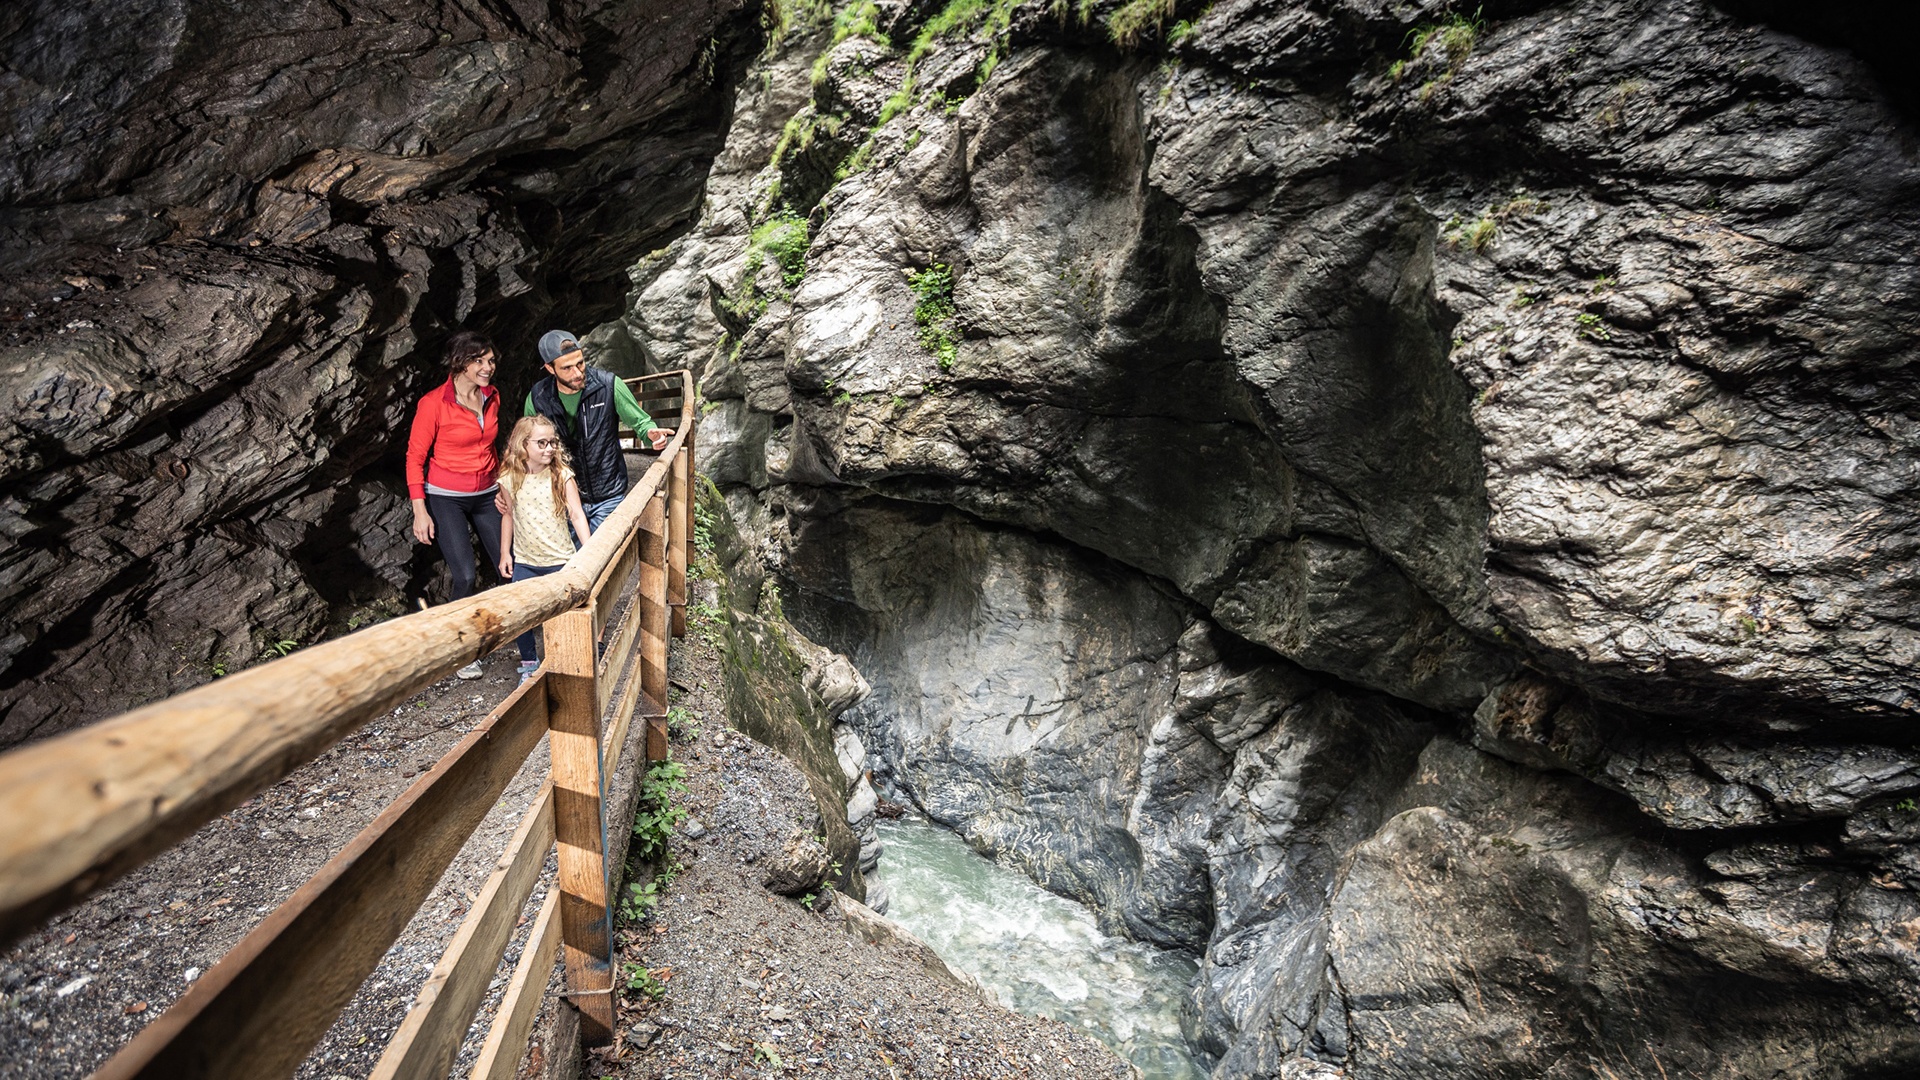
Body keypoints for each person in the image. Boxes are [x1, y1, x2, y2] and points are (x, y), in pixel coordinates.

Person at [406, 330, 504, 680]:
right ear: (460, 363)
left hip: (487, 494)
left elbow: (492, 447)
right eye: (480, 360)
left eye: (490, 360)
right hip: (446, 497)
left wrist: (502, 485)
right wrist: (420, 510)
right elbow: (415, 458)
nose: (488, 367)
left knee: (508, 568)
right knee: (464, 574)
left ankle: (512, 633)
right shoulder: (434, 403)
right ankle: (460, 649)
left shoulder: (492, 396)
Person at [522, 329, 674, 532]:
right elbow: (527, 449)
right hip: (564, 497)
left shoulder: (608, 385)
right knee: (575, 560)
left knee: (607, 556)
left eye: (580, 363)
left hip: (608, 493)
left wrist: (650, 434)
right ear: (550, 369)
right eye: (567, 368)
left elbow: (641, 422)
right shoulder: (537, 397)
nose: (577, 373)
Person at [496, 415, 592, 683]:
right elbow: (508, 516)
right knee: (519, 613)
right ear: (523, 444)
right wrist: (506, 553)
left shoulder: (562, 475)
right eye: (542, 443)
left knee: (566, 614)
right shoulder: (509, 478)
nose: (549, 448)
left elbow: (576, 514)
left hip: (560, 560)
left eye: (552, 442)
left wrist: (589, 551)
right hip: (526, 561)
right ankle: (529, 662)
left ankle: (568, 662)